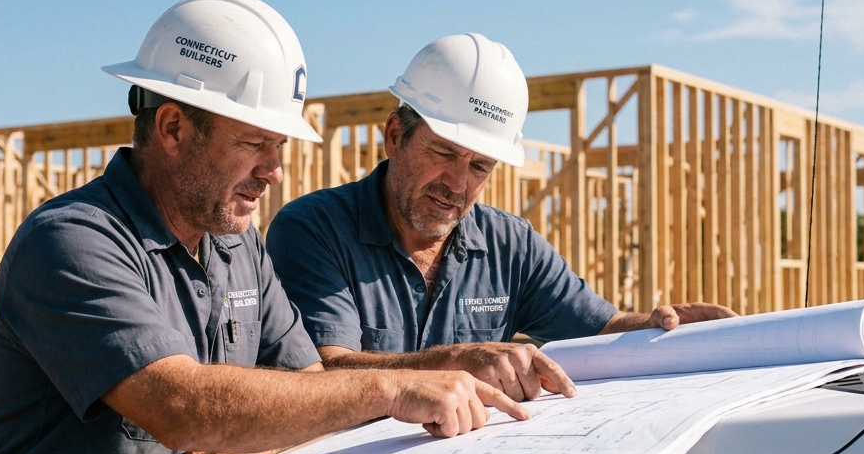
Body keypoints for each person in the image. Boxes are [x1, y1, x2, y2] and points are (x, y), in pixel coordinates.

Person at [0, 0, 526, 454]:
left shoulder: (237, 249)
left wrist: (257, 442)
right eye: (255, 143)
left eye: (278, 145)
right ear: (175, 128)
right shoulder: (74, 242)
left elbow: (303, 380)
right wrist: (390, 390)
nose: (275, 170)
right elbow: (178, 405)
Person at [266, 33, 736, 402]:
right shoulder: (314, 229)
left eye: (479, 167)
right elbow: (321, 376)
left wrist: (658, 327)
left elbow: (599, 329)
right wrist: (456, 362)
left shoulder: (510, 244)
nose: (457, 183)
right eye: (443, 153)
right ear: (394, 135)